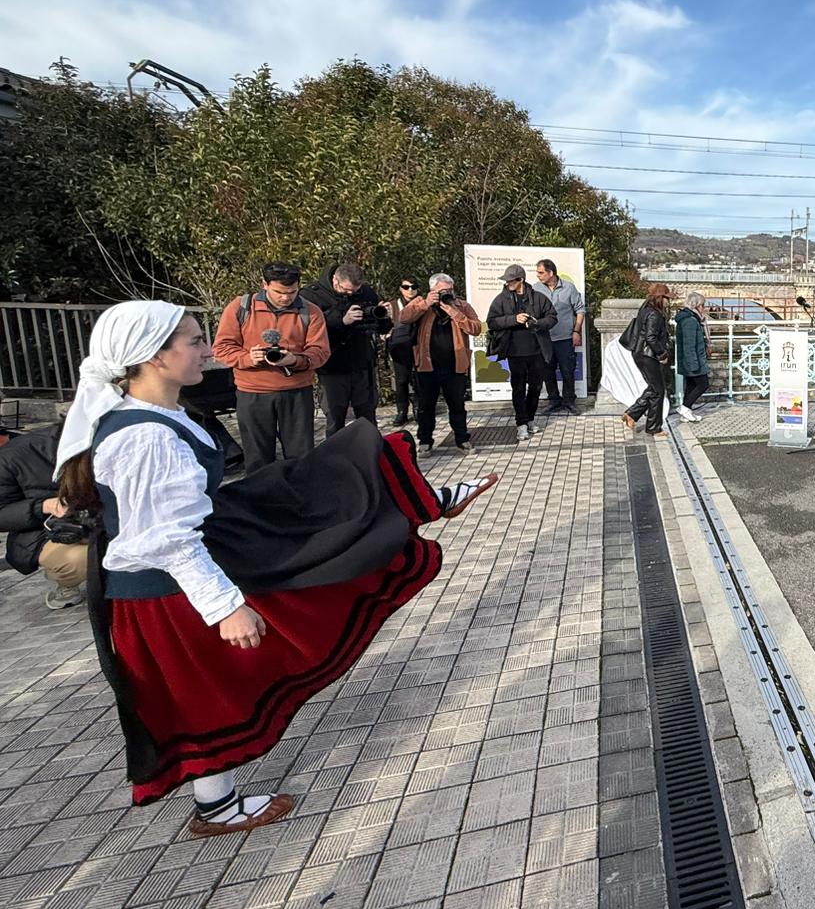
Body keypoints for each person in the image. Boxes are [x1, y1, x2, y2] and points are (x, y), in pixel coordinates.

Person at [51, 301, 497, 832]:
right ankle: (216, 809)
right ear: (151, 357)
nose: (206, 350)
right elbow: (167, 541)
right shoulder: (144, 437)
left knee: (291, 491)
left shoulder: (157, 415)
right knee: (213, 691)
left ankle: (419, 500)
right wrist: (226, 608)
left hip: (187, 568)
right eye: (192, 341)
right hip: (163, 588)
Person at [212, 262, 331, 473]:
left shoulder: (310, 311)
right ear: (264, 284)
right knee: (257, 456)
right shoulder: (241, 307)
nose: (286, 297)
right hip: (253, 393)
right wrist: (248, 358)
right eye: (279, 292)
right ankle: (262, 500)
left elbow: (320, 352)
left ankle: (302, 499)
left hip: (296, 392)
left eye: (292, 292)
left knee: (301, 456)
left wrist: (295, 360)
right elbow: (221, 348)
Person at [0, 423, 90, 609]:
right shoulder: (9, 457)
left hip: (96, 519)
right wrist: (43, 506)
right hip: (45, 531)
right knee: (81, 559)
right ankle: (66, 583)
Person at [398, 274, 484, 455]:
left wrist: (455, 313)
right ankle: (425, 441)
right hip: (427, 365)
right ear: (432, 290)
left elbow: (476, 328)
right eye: (442, 291)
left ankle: (462, 440)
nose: (447, 293)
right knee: (426, 406)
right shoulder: (422, 303)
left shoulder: (461, 305)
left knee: (457, 406)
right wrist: (425, 303)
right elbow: (404, 317)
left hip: (455, 365)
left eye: (450, 290)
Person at [303, 263, 384, 439]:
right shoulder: (311, 295)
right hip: (332, 367)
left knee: (368, 416)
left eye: (354, 291)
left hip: (362, 363)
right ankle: (334, 460)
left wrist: (384, 317)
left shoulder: (366, 293)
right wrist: (341, 320)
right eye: (346, 291)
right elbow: (307, 329)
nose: (350, 295)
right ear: (335, 280)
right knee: (335, 418)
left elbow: (381, 327)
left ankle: (370, 455)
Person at [486, 265, 558, 443]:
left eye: (511, 280)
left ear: (521, 280)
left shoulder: (538, 298)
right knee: (518, 389)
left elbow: (552, 317)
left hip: (537, 351)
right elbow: (492, 322)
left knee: (535, 387)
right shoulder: (501, 299)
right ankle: (521, 424)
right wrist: (513, 319)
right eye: (507, 280)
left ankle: (530, 419)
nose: (508, 283)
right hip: (514, 352)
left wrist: (537, 324)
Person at [536, 259, 587, 414]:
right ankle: (554, 401)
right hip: (544, 339)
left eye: (541, 272)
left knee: (567, 371)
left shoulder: (569, 288)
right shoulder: (535, 289)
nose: (538, 275)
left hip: (565, 338)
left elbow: (580, 310)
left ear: (551, 273)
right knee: (547, 371)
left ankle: (569, 401)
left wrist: (577, 331)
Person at [623, 284, 673, 437]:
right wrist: (662, 354)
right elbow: (651, 337)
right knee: (657, 390)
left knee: (654, 388)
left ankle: (636, 417)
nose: (668, 302)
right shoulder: (654, 314)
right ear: (660, 297)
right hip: (648, 355)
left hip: (641, 353)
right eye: (666, 299)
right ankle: (651, 426)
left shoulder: (644, 310)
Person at [386, 278, 423, 427]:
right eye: (406, 287)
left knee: (419, 379)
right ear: (400, 288)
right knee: (401, 380)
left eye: (413, 287)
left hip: (418, 346)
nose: (410, 290)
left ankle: (418, 408)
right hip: (399, 348)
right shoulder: (393, 305)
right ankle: (402, 411)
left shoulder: (423, 303)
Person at [674, 292, 712, 423]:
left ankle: (686, 411)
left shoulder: (690, 319)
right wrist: (693, 364)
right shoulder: (690, 321)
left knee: (691, 386)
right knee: (703, 384)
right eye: (702, 305)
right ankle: (684, 407)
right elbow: (689, 344)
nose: (704, 308)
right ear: (696, 305)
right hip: (693, 361)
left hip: (691, 360)